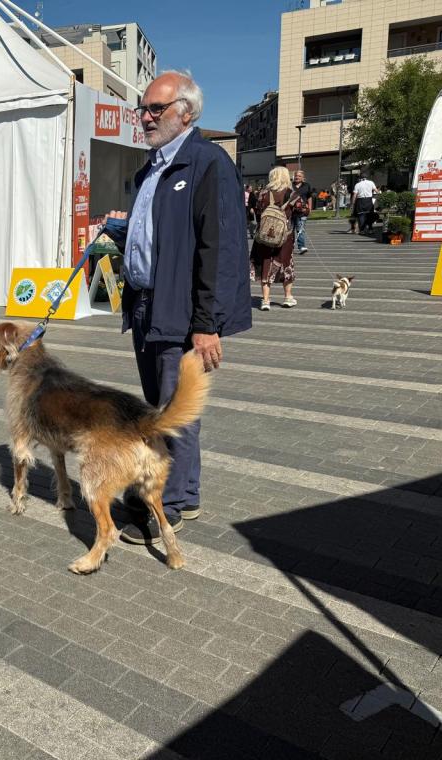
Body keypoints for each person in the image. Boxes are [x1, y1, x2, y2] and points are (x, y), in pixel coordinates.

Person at [106, 71, 251, 546]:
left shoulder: (207, 164)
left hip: (184, 314)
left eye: (155, 109)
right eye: (142, 109)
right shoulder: (149, 168)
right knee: (162, 409)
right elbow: (161, 236)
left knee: (175, 412)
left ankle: (165, 505)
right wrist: (124, 235)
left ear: (185, 113)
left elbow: (219, 249)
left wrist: (207, 325)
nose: (144, 118)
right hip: (147, 306)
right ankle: (184, 494)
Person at [250, 166, 298, 311]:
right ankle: (288, 297)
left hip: (264, 236)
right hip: (285, 236)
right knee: (286, 264)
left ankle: (265, 300)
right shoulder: (291, 193)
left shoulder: (263, 193)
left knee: (266, 264)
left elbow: (258, 212)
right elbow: (304, 210)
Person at [291, 169, 312, 254]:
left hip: (302, 211)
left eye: (299, 176)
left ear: (303, 177)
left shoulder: (307, 185)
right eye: (296, 175)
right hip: (291, 211)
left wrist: (310, 208)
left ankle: (301, 246)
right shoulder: (290, 185)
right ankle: (289, 247)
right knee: (290, 230)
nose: (297, 177)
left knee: (300, 229)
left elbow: (309, 197)